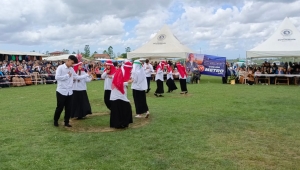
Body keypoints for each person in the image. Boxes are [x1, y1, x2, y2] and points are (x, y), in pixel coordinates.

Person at [53, 55, 89, 127]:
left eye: (73, 64)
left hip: (70, 91)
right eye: (72, 63)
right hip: (61, 91)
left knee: (68, 108)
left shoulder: (71, 69)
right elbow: (57, 77)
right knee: (60, 107)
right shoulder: (60, 68)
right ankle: (55, 120)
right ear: (68, 60)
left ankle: (66, 121)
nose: (72, 65)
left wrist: (86, 75)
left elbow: (76, 76)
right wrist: (66, 76)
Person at [110, 61, 133, 129]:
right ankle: (120, 123)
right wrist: (127, 82)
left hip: (119, 94)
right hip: (117, 94)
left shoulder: (122, 71)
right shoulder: (120, 72)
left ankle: (122, 123)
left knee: (121, 110)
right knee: (125, 108)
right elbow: (118, 83)